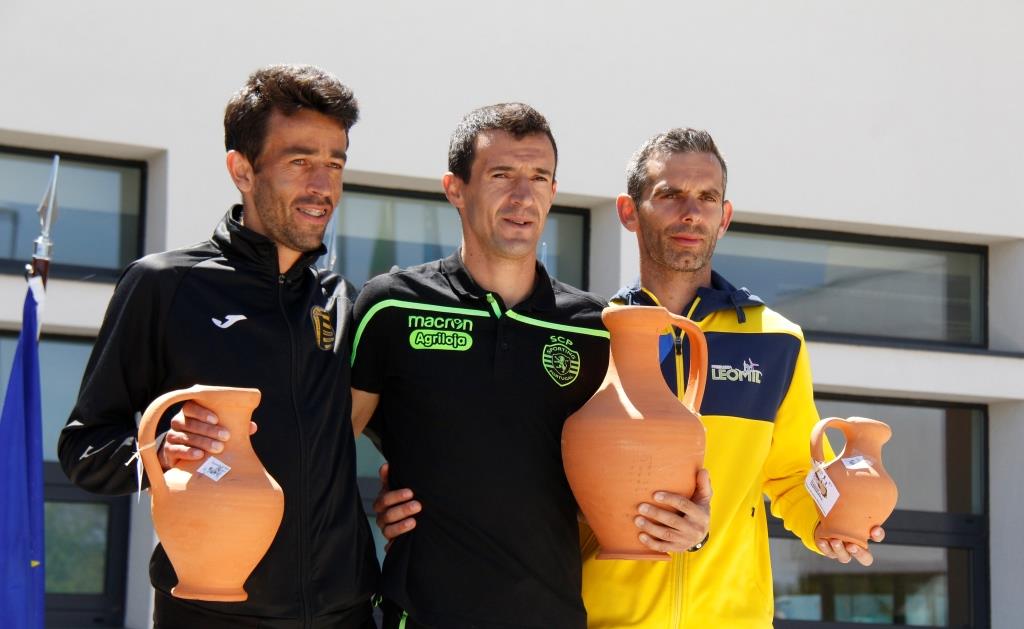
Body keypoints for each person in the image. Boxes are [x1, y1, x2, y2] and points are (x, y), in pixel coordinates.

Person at [348, 103, 695, 629]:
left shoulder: (595, 328)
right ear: (455, 188)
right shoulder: (392, 307)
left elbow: (629, 482)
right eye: (501, 175)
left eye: (538, 178)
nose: (522, 196)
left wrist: (689, 522)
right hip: (420, 616)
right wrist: (372, 508)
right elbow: (325, 454)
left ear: (553, 192)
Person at [57, 65, 379, 629]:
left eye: (335, 164)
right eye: (299, 162)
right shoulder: (164, 285)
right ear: (242, 169)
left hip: (343, 612)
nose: (322, 186)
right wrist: (158, 452)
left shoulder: (341, 299)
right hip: (208, 611)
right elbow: (84, 450)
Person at [580, 128, 886, 628]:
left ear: (724, 217)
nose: (691, 213)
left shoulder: (776, 340)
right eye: (670, 195)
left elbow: (792, 474)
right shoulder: (590, 335)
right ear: (629, 211)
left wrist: (828, 526)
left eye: (707, 198)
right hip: (602, 617)